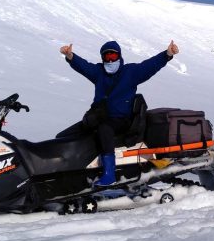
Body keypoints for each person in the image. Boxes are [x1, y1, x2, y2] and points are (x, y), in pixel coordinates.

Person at [60, 39, 179, 185]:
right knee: (64, 136)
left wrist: (167, 54)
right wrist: (70, 56)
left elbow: (149, 66)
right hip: (99, 118)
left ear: (119, 56)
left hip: (122, 120)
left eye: (113, 56)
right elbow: (84, 66)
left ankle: (109, 174)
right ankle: (66, 174)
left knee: (104, 129)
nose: (110, 60)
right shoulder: (99, 72)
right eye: (107, 57)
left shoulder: (130, 73)